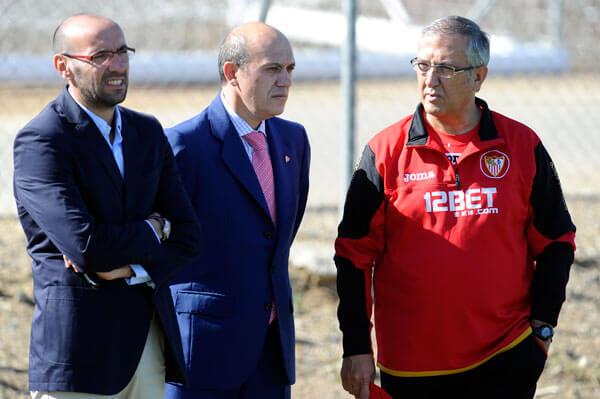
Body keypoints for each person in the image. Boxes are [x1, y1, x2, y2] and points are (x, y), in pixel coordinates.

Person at [335, 15, 576, 399]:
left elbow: (557, 243)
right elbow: (352, 255)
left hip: (507, 354)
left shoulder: (521, 145)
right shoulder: (385, 151)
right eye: (423, 65)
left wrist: (542, 332)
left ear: (479, 76)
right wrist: (356, 346)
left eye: (446, 68)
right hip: (411, 364)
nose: (430, 79)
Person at [13, 14, 202, 399]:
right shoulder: (42, 141)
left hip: (145, 348)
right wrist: (153, 228)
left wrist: (133, 268)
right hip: (77, 356)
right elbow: (88, 247)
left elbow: (188, 236)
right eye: (100, 55)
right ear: (63, 66)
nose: (116, 65)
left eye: (121, 51)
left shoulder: (146, 132)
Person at [163, 21, 310, 399]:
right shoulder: (184, 146)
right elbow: (161, 249)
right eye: (272, 69)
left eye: (290, 69)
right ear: (232, 73)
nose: (286, 81)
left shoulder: (293, 140)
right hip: (203, 356)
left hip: (270, 356)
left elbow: (278, 237)